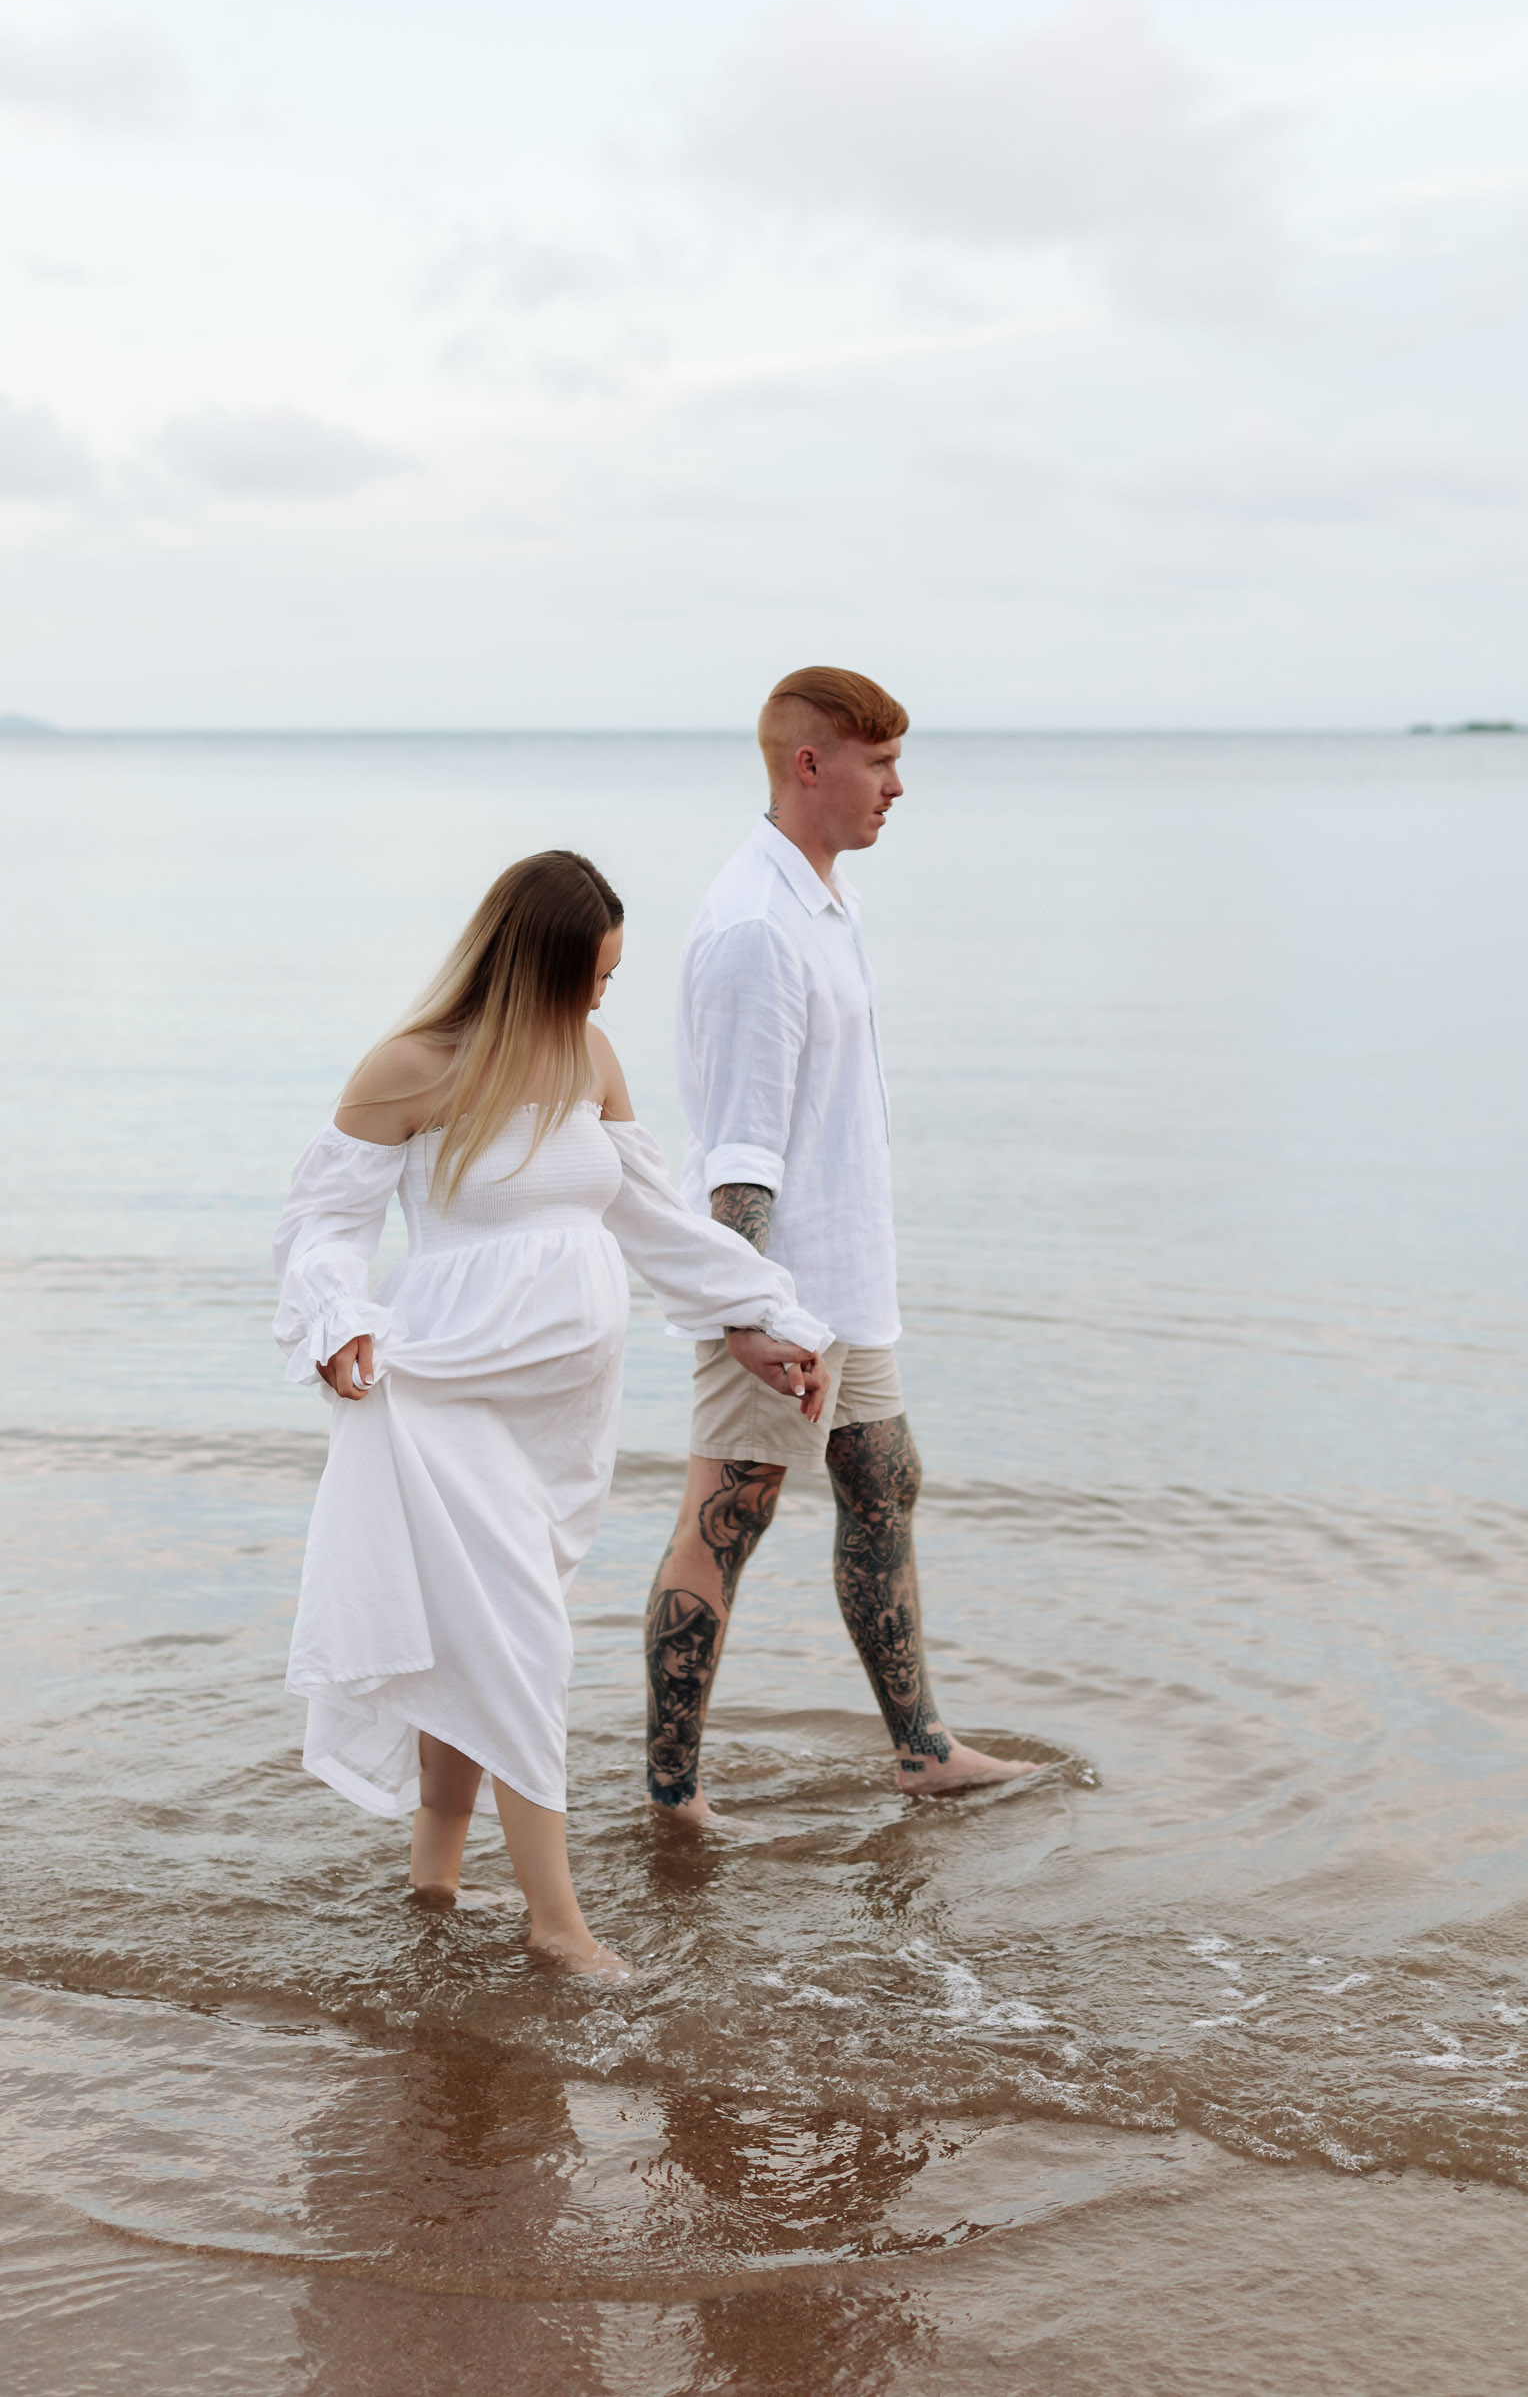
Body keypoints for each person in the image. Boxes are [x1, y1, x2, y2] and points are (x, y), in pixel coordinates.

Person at [273, 851, 832, 1972]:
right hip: (442, 1399)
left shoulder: (587, 1057)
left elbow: (654, 1219)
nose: (599, 998)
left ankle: (434, 1882)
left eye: (611, 979)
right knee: (524, 1641)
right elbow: (323, 1223)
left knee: (474, 1645)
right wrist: (335, 1318)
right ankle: (557, 1925)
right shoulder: (410, 1066)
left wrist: (756, 1315)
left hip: (560, 1416)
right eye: (589, 976)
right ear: (530, 963)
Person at [643, 667, 1037, 1824]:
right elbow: (738, 1152)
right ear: (807, 765)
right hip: (777, 1291)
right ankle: (671, 1795)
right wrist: (748, 1316)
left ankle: (920, 1752)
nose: (897, 788)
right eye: (878, 762)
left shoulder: (819, 897)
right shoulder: (756, 928)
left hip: (845, 1278)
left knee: (884, 1481)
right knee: (727, 1518)